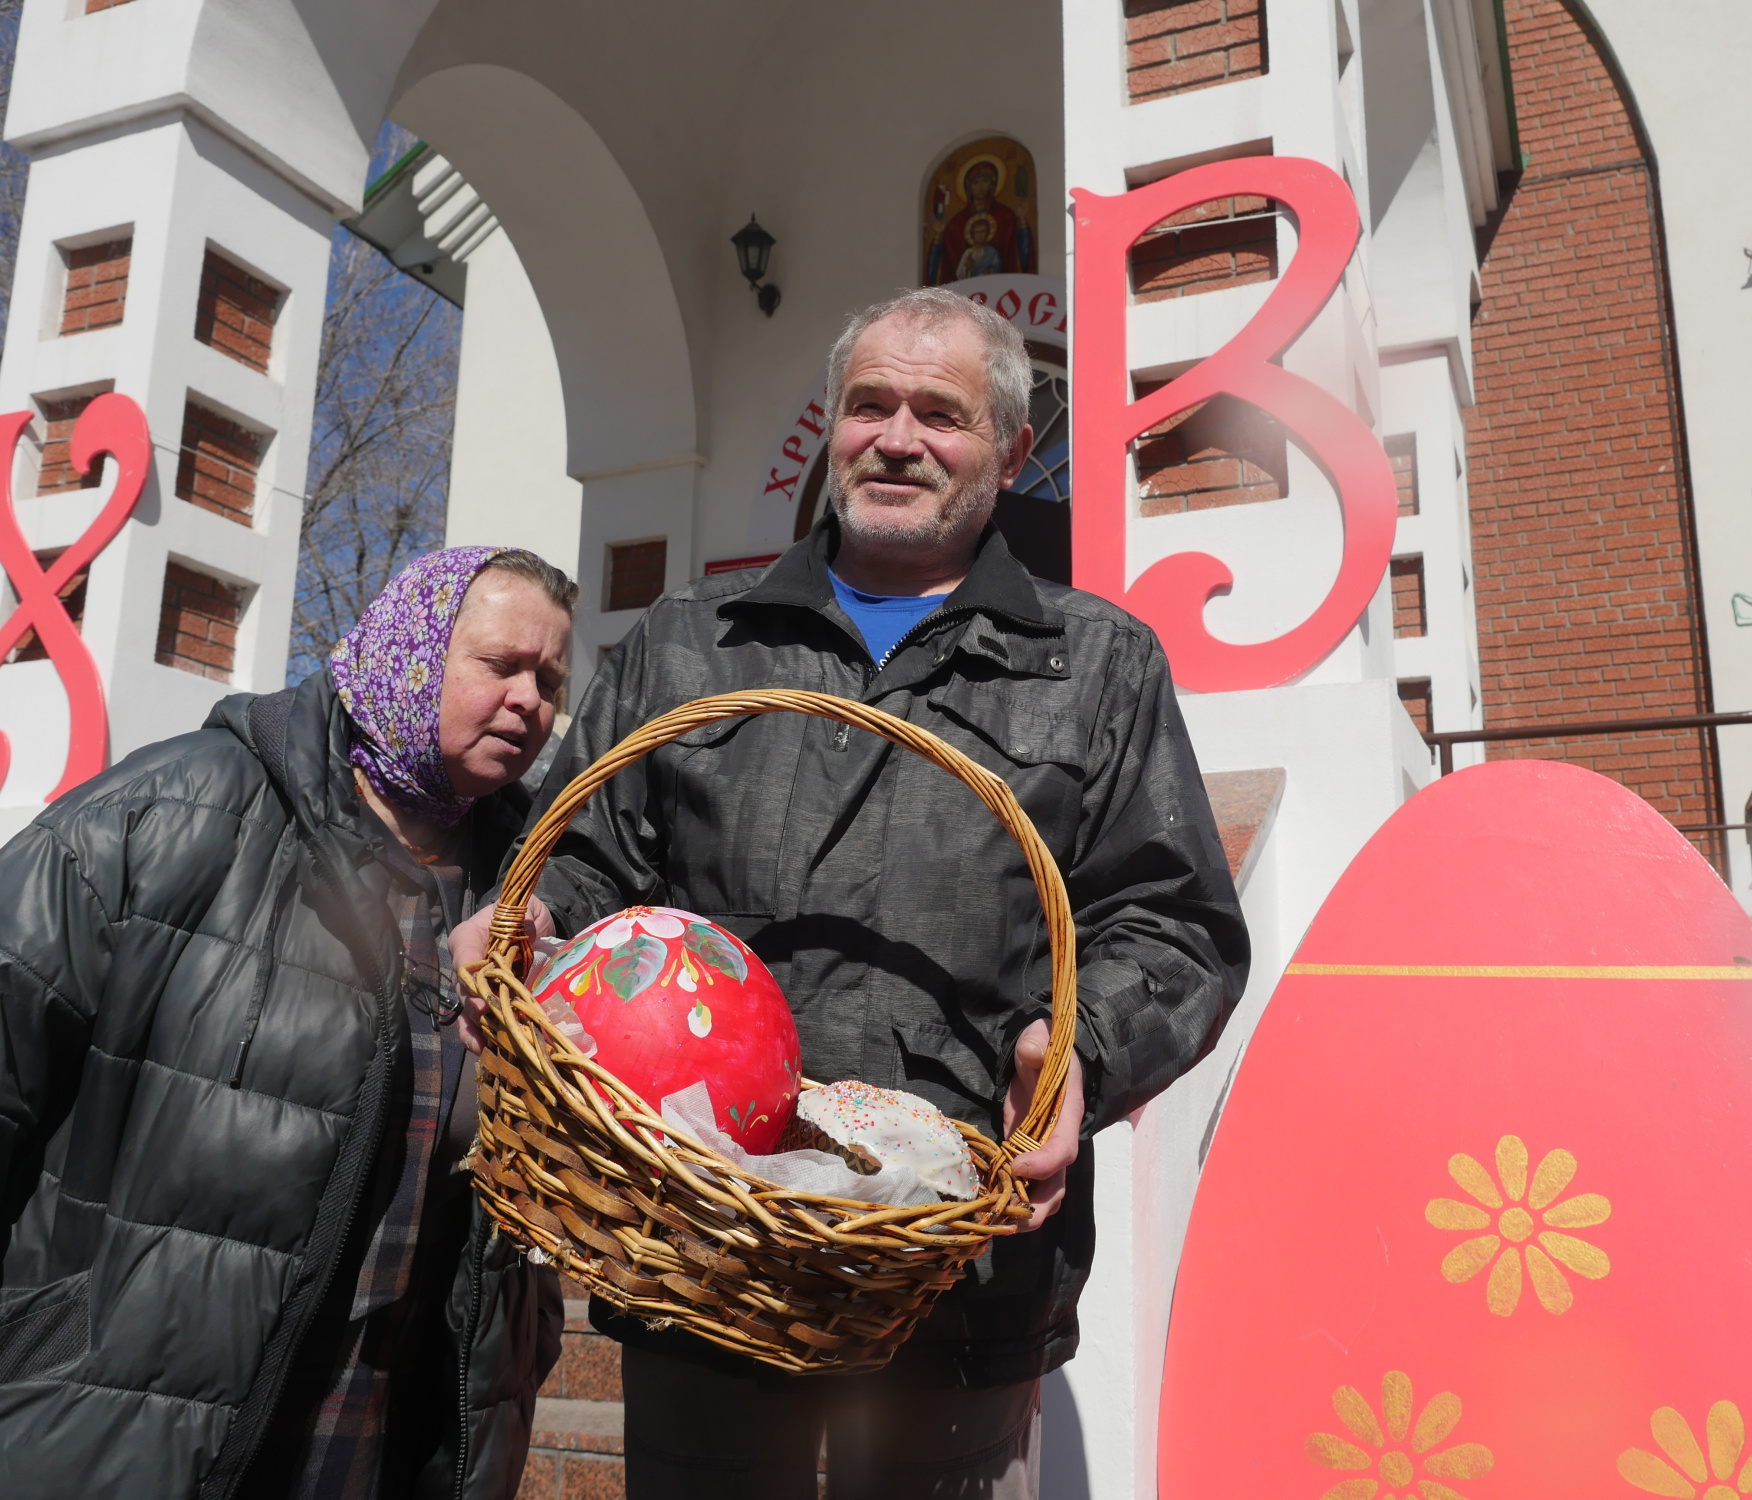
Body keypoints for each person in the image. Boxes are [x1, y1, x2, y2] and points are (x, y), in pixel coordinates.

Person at [453, 288, 1250, 1498]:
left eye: (941, 413)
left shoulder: (1096, 664)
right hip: (699, 1239)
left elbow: (1175, 923)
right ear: (831, 428)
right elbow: (589, 856)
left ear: (1013, 452)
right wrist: (532, 924)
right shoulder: (689, 642)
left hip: (956, 1279)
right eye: (868, 404)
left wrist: (1079, 1046)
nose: (895, 437)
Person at [0, 547, 577, 1500]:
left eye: (549, 680)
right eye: (500, 665)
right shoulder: (175, 811)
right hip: (109, 1433)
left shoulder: (530, 900)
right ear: (410, 653)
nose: (529, 701)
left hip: (378, 1448)